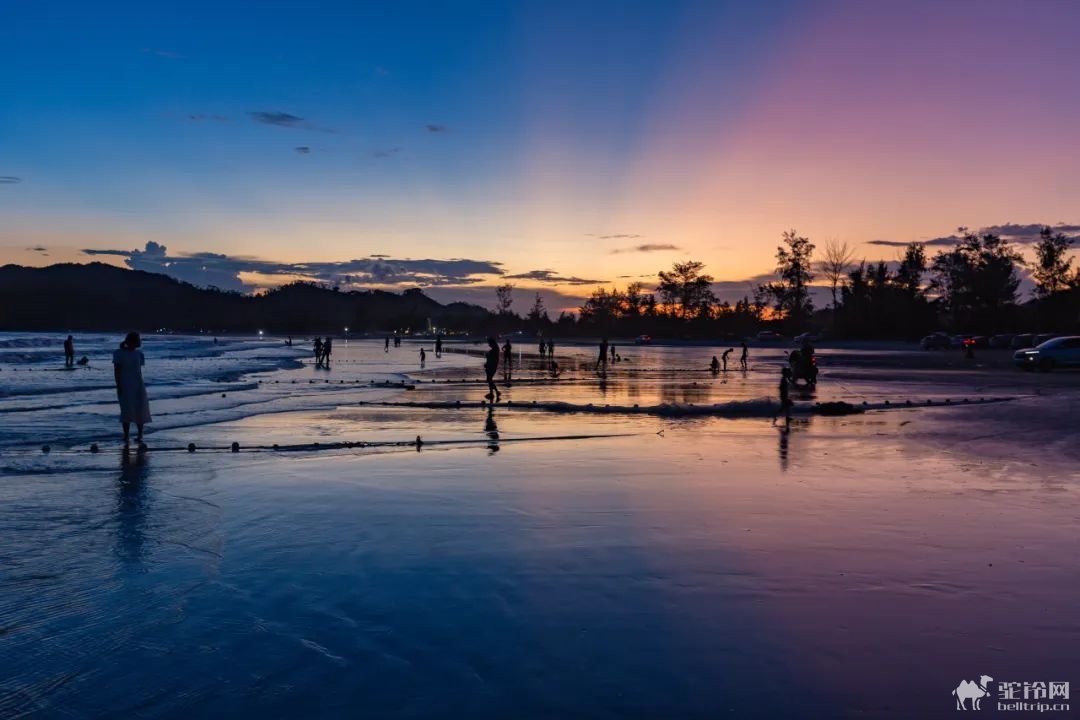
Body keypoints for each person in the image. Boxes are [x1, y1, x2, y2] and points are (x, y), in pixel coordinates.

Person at [113, 332, 151, 443]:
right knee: (126, 409)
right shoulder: (119, 353)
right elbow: (117, 371)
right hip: (125, 384)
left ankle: (140, 434)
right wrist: (118, 385)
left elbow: (139, 372)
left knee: (140, 408)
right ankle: (126, 435)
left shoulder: (139, 354)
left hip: (138, 384)